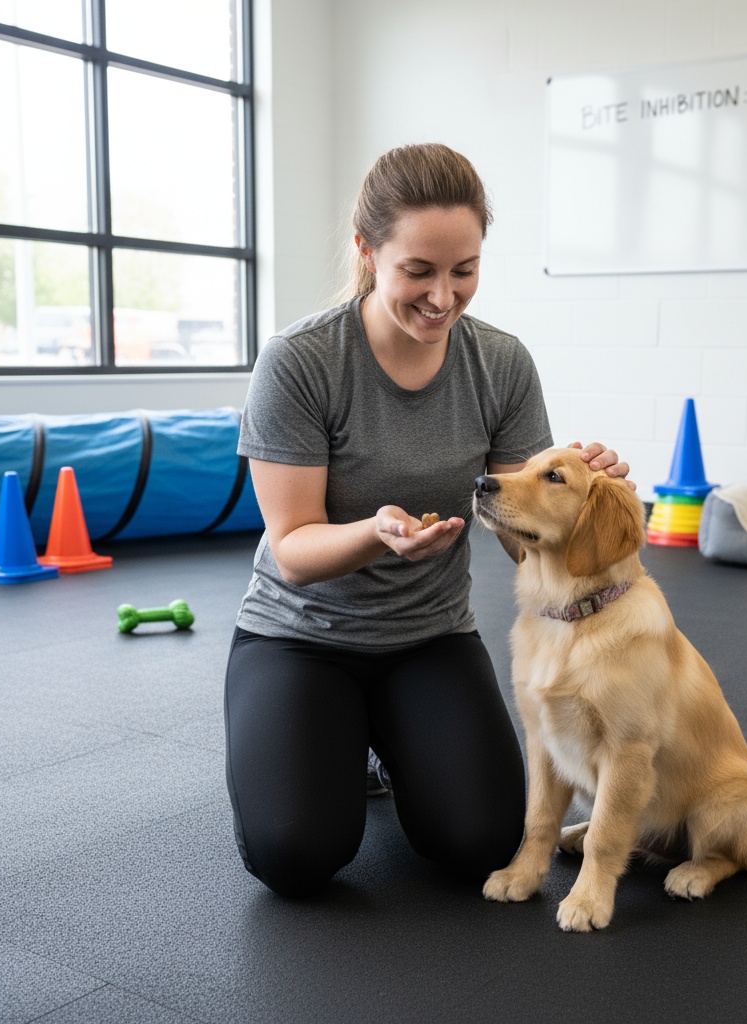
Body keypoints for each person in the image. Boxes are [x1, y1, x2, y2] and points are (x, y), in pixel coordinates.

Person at [224, 142, 633, 898]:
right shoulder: (301, 360)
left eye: (464, 270)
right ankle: (343, 736)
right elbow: (294, 551)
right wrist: (376, 534)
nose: (443, 297)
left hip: (429, 637)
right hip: (302, 636)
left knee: (481, 841)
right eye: (419, 271)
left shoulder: (502, 364)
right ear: (368, 252)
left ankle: (393, 738)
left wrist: (581, 502)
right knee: (297, 854)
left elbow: (521, 538)